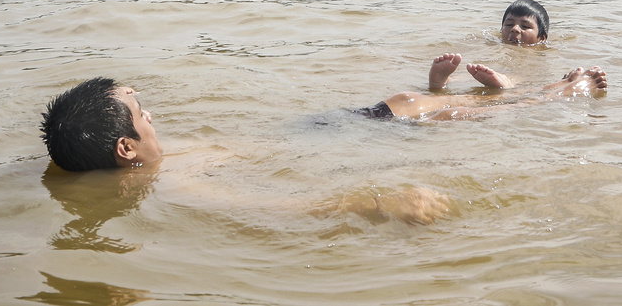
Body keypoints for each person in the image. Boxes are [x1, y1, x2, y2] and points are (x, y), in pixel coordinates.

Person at [40, 77, 452, 224]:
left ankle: (500, 99)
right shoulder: (172, 182)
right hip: (322, 139)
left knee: (408, 102)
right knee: (409, 104)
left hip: (304, 135)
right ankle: (511, 102)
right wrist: (377, 205)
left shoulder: (156, 160)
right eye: (141, 112)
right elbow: (269, 207)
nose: (151, 115)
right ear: (126, 148)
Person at [360, 65, 608, 120]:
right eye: (509, 24)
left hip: (353, 119)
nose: (515, 30)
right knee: (449, 115)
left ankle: (549, 89)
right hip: (350, 123)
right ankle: (554, 95)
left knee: (406, 99)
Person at [428, 0, 551, 90]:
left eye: (525, 26)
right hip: (499, 64)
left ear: (542, 38)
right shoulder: (493, 44)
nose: (515, 29)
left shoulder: (539, 53)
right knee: (479, 70)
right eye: (509, 25)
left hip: (523, 70)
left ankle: (506, 82)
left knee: (528, 74)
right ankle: (446, 80)